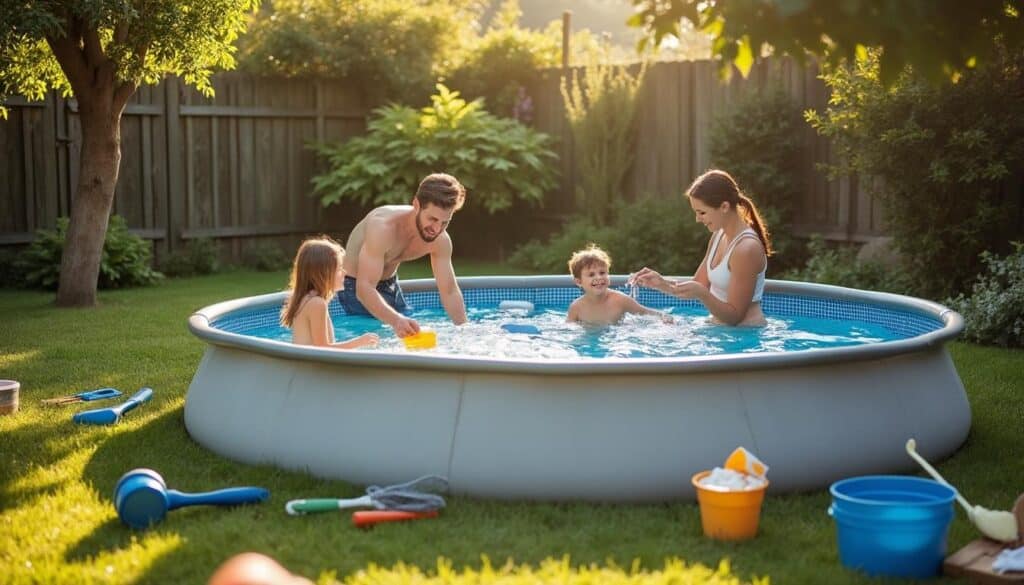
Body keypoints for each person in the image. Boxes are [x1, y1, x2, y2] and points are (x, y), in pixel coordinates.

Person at [629, 169, 772, 327]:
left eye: (702, 212)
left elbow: (735, 316)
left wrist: (702, 294)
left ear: (724, 206)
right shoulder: (718, 236)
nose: (697, 219)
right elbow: (698, 284)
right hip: (720, 332)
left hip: (746, 337)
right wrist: (661, 283)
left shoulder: (746, 249)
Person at [339, 173, 468, 338]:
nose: (437, 229)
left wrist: (463, 329)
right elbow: (364, 289)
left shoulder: (440, 241)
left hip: (391, 285)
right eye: (432, 219)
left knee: (412, 334)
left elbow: (449, 291)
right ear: (416, 204)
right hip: (354, 285)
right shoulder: (382, 228)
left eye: (445, 222)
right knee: (378, 340)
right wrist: (396, 320)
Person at [280, 237, 379, 349]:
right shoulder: (317, 304)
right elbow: (323, 350)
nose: (344, 272)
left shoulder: (305, 298)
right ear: (323, 273)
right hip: (311, 366)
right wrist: (359, 342)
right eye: (339, 268)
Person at [566, 245, 673, 326]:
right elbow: (568, 330)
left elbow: (644, 312)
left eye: (602, 273)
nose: (598, 277)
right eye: (591, 274)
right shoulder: (576, 307)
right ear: (578, 282)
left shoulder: (620, 300)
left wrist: (664, 317)